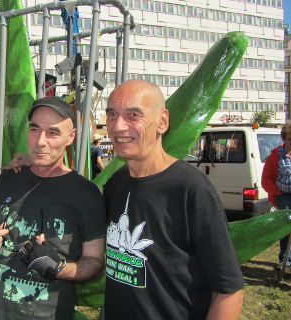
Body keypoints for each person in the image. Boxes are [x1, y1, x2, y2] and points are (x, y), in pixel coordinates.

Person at [103, 80, 244, 319]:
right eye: (112, 114)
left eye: (133, 115)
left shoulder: (190, 188)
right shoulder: (116, 183)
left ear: (162, 121)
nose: (118, 126)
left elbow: (229, 290)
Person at [0, 96, 106, 319]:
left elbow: (95, 263)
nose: (40, 141)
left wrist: (58, 267)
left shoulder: (87, 194)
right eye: (35, 129)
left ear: (70, 137)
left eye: (53, 132)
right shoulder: (8, 178)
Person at [261, 121, 291, 270]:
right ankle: (285, 260)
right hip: (284, 197)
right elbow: (266, 180)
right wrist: (278, 193)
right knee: (286, 229)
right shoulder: (276, 156)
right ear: (284, 139)